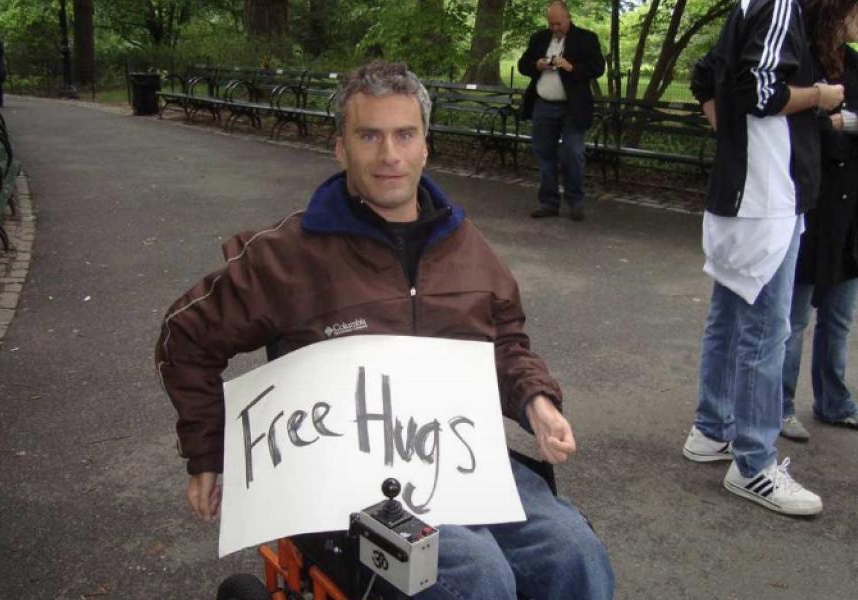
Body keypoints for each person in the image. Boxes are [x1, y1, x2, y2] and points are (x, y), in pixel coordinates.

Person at [156, 61, 614, 599]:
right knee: (476, 577)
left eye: (404, 134)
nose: (390, 155)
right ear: (341, 148)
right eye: (369, 135)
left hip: (462, 459)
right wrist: (208, 452)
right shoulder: (287, 255)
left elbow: (507, 342)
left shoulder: (468, 248)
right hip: (347, 481)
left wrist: (536, 400)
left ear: (426, 145)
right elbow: (184, 339)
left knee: (573, 552)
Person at [683, 0, 844, 516]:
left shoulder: (752, 6)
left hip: (745, 196)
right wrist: (820, 96)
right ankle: (753, 463)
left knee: (730, 317)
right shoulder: (780, 6)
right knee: (765, 330)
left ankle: (712, 430)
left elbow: (705, 75)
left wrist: (729, 136)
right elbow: (760, 92)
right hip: (766, 199)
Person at [781, 0, 858, 441]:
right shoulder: (803, 59)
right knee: (792, 319)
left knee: (840, 316)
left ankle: (834, 400)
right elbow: (807, 128)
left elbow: (830, 126)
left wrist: (840, 120)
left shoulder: (855, 65)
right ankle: (780, 404)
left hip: (851, 217)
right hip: (812, 206)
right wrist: (837, 126)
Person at [517, 0, 604, 222]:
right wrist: (537, 65)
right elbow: (522, 64)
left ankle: (575, 200)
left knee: (572, 153)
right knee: (544, 155)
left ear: (568, 18)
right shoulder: (539, 38)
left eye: (558, 24)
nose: (554, 28)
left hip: (572, 108)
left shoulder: (586, 39)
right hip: (543, 105)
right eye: (551, 24)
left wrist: (571, 67)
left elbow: (597, 67)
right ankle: (548, 202)